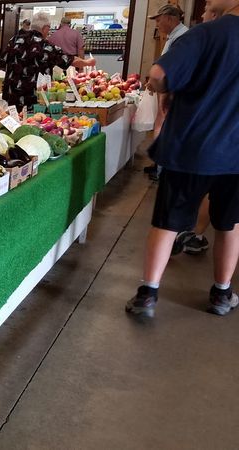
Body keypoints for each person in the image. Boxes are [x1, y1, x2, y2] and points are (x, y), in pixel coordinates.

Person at [125, 0, 239, 319]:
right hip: (236, 153)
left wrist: (165, 90)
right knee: (230, 225)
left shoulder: (205, 35)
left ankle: (147, 294)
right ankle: (221, 293)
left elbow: (158, 74)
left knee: (168, 222)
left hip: (191, 145)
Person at [169, 0, 222, 256]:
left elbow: (162, 76)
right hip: (221, 135)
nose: (201, 14)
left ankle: (188, 232)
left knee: (201, 187)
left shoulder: (201, 40)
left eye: (207, 9)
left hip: (202, 132)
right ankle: (194, 233)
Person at [0, 13, 95, 108]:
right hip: (33, 99)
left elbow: (0, 63)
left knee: (13, 122)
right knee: (32, 122)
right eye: (48, 28)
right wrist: (88, 62)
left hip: (11, 96)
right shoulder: (45, 46)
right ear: (45, 28)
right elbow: (69, 60)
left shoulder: (14, 40)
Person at [145, 6, 189, 180]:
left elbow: (170, 69)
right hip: (168, 89)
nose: (157, 24)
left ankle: (161, 167)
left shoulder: (182, 37)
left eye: (158, 19)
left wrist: (156, 83)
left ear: (170, 18)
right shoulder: (175, 36)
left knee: (162, 126)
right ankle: (158, 164)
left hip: (171, 90)